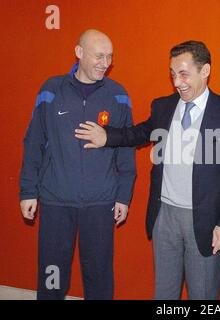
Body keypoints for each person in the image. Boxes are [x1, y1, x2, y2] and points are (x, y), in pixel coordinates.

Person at [75, 40, 220, 299]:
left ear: (205, 71)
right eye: (173, 74)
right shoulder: (164, 106)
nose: (177, 82)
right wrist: (106, 136)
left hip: (206, 220)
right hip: (164, 216)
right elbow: (139, 133)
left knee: (203, 294)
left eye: (184, 74)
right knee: (164, 294)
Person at [19, 29, 136, 300]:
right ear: (79, 52)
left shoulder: (118, 95)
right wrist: (27, 190)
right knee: (52, 275)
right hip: (56, 202)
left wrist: (123, 196)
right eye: (99, 56)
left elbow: (126, 147)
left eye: (109, 57)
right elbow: (34, 141)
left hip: (100, 203)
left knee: (98, 276)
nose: (105, 63)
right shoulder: (50, 90)